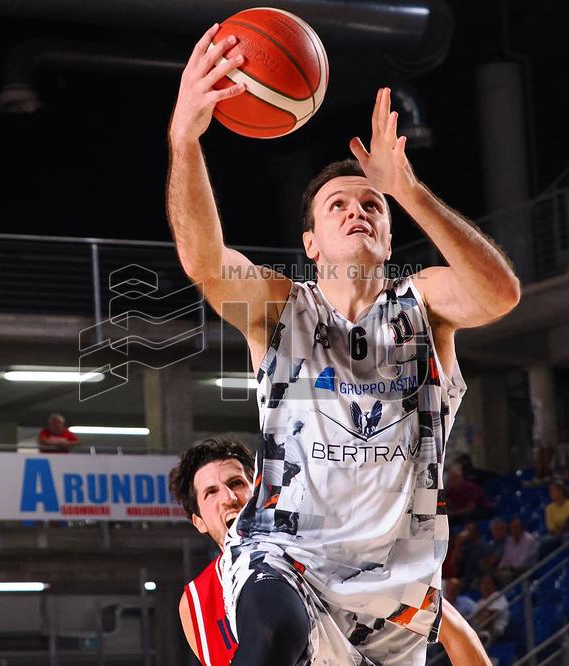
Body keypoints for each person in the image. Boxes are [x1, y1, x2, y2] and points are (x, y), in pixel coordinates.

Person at [167, 22, 520, 664]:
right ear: (310, 243)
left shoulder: (426, 306)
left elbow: (499, 295)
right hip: (287, 554)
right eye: (337, 205)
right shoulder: (281, 308)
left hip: (394, 589)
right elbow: (205, 263)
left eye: (372, 205)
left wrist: (408, 191)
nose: (358, 210)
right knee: (272, 633)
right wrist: (185, 141)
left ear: (388, 233)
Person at [169, 436, 491, 666]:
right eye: (211, 492)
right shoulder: (198, 600)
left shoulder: (329, 550)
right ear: (198, 521)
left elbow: (452, 628)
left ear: (257, 492)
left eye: (237, 483)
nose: (228, 497)